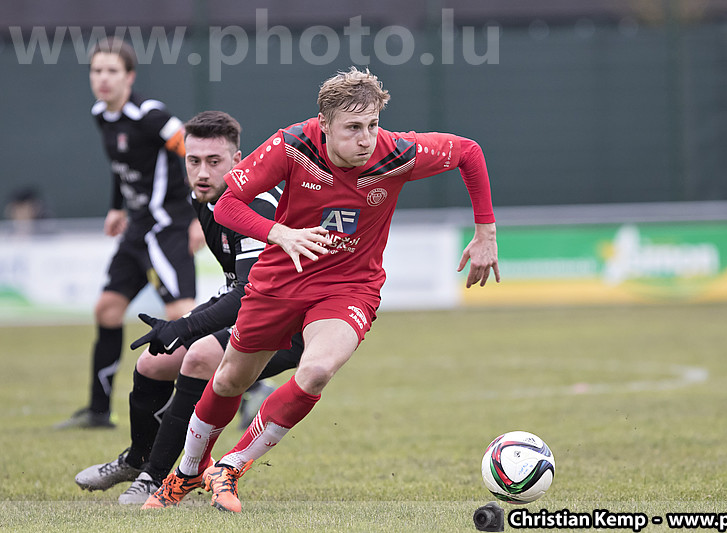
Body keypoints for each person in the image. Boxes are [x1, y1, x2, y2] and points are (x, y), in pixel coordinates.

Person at [145, 67, 500, 512]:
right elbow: (227, 205)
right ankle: (186, 472)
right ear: (325, 125)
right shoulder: (293, 145)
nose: (366, 139)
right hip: (281, 278)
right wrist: (279, 233)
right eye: (353, 128)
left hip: (350, 287)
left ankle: (231, 466)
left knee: (315, 372)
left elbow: (468, 151)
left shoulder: (396, 153)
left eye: (372, 124)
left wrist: (485, 231)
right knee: (230, 379)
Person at [73, 111, 304, 504]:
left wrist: (184, 326)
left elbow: (251, 294)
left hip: (292, 322)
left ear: (238, 160)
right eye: (193, 161)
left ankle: (156, 478)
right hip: (255, 306)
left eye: (214, 161)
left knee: (198, 356)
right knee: (153, 362)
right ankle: (136, 459)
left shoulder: (255, 205)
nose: (202, 172)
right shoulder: (202, 197)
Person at [57, 38, 203, 429]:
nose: (103, 78)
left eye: (112, 71)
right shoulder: (102, 114)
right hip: (136, 228)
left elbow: (196, 154)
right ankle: (98, 412)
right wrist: (117, 207)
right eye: (97, 71)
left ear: (129, 77)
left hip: (166, 226)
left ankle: (248, 390)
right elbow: (121, 167)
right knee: (106, 309)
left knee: (183, 315)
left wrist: (199, 215)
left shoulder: (151, 115)